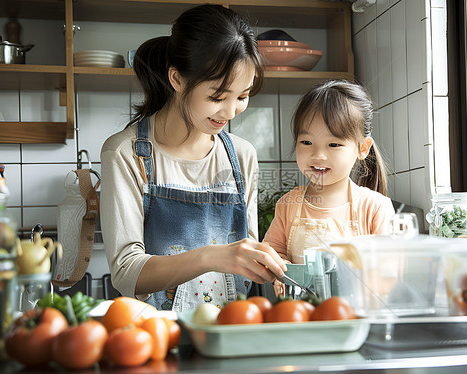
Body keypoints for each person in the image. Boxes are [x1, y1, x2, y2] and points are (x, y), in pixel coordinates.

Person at [100, 4, 286, 312]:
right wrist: (213, 256)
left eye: (242, 96)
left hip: (231, 329)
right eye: (217, 97)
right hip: (157, 336)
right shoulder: (126, 153)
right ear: (177, 79)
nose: (230, 112)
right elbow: (126, 272)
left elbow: (246, 256)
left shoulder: (242, 156)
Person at [263, 80, 395, 293]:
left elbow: (389, 270)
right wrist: (279, 270)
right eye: (306, 142)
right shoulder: (288, 204)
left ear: (363, 148)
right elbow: (272, 252)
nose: (318, 155)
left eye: (334, 144)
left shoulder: (375, 207)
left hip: (356, 316)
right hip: (302, 317)